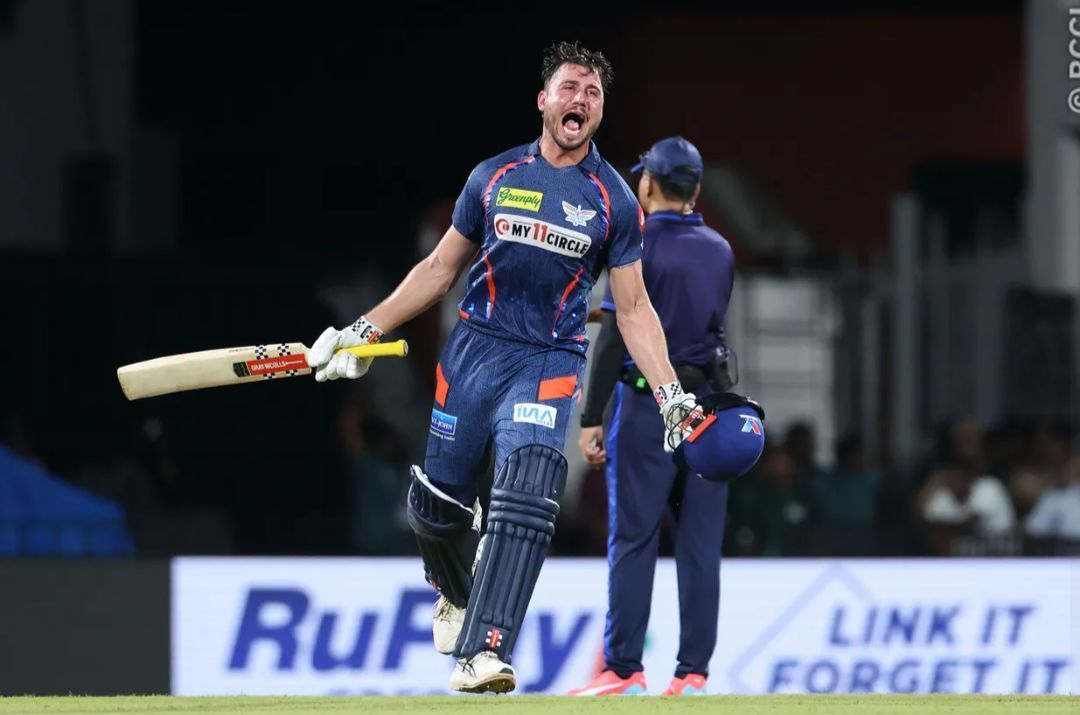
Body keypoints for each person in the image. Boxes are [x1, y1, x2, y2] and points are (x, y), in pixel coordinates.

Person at [305, 42, 709, 695]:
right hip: (473, 351)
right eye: (570, 87)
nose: (581, 99)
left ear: (599, 111)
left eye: (594, 93)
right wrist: (360, 331)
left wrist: (668, 393)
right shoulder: (492, 176)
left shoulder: (614, 199)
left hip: (548, 359)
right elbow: (439, 270)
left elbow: (631, 308)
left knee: (528, 490)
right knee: (434, 510)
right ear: (543, 100)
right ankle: (452, 589)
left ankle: (485, 650)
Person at [571, 137, 736, 696]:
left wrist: (592, 414)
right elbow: (696, 324)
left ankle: (622, 670)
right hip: (707, 408)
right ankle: (693, 674)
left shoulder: (636, 242)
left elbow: (621, 335)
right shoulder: (720, 248)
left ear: (648, 183)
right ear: (696, 188)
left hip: (646, 406)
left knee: (634, 538)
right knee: (699, 546)